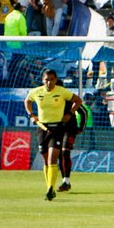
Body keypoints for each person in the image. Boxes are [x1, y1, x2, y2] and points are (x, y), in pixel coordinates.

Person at [23, 69, 82, 201]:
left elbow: (78, 101)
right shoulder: (36, 92)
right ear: (43, 80)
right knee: (45, 160)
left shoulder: (62, 92)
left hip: (57, 128)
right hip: (42, 128)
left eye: (51, 79)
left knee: (52, 159)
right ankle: (49, 186)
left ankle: (50, 189)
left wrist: (69, 114)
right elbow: (27, 101)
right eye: (46, 80)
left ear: (56, 80)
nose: (49, 82)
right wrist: (31, 115)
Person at [57, 92, 91, 192]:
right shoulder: (49, 100)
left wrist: (81, 127)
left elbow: (83, 112)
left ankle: (66, 181)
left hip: (70, 130)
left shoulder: (68, 99)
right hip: (56, 129)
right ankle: (64, 182)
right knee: (59, 155)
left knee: (65, 153)